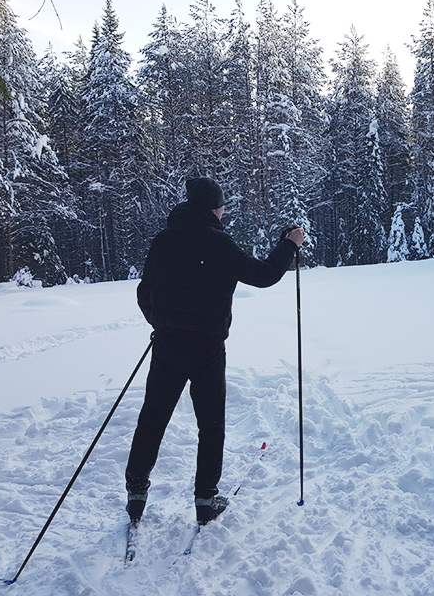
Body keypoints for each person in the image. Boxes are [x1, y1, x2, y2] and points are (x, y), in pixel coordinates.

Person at [125, 177, 304, 525]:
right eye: (222, 206)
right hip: (206, 348)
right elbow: (265, 275)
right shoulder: (217, 241)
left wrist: (162, 324)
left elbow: (144, 292)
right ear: (213, 208)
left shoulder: (164, 239)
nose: (224, 211)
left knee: (152, 419)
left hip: (167, 345)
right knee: (210, 424)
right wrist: (289, 245)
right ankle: (205, 500)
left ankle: (136, 494)